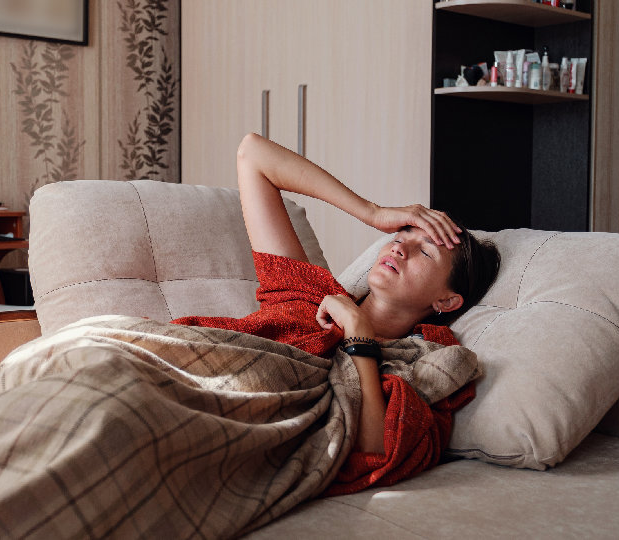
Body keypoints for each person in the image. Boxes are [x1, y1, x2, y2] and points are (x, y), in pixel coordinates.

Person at [174, 132, 501, 455]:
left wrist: (359, 332)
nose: (401, 248)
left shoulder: (425, 359)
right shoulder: (306, 292)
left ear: (446, 300)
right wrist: (372, 212)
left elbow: (375, 445)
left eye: (426, 252)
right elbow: (253, 154)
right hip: (181, 366)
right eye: (402, 235)